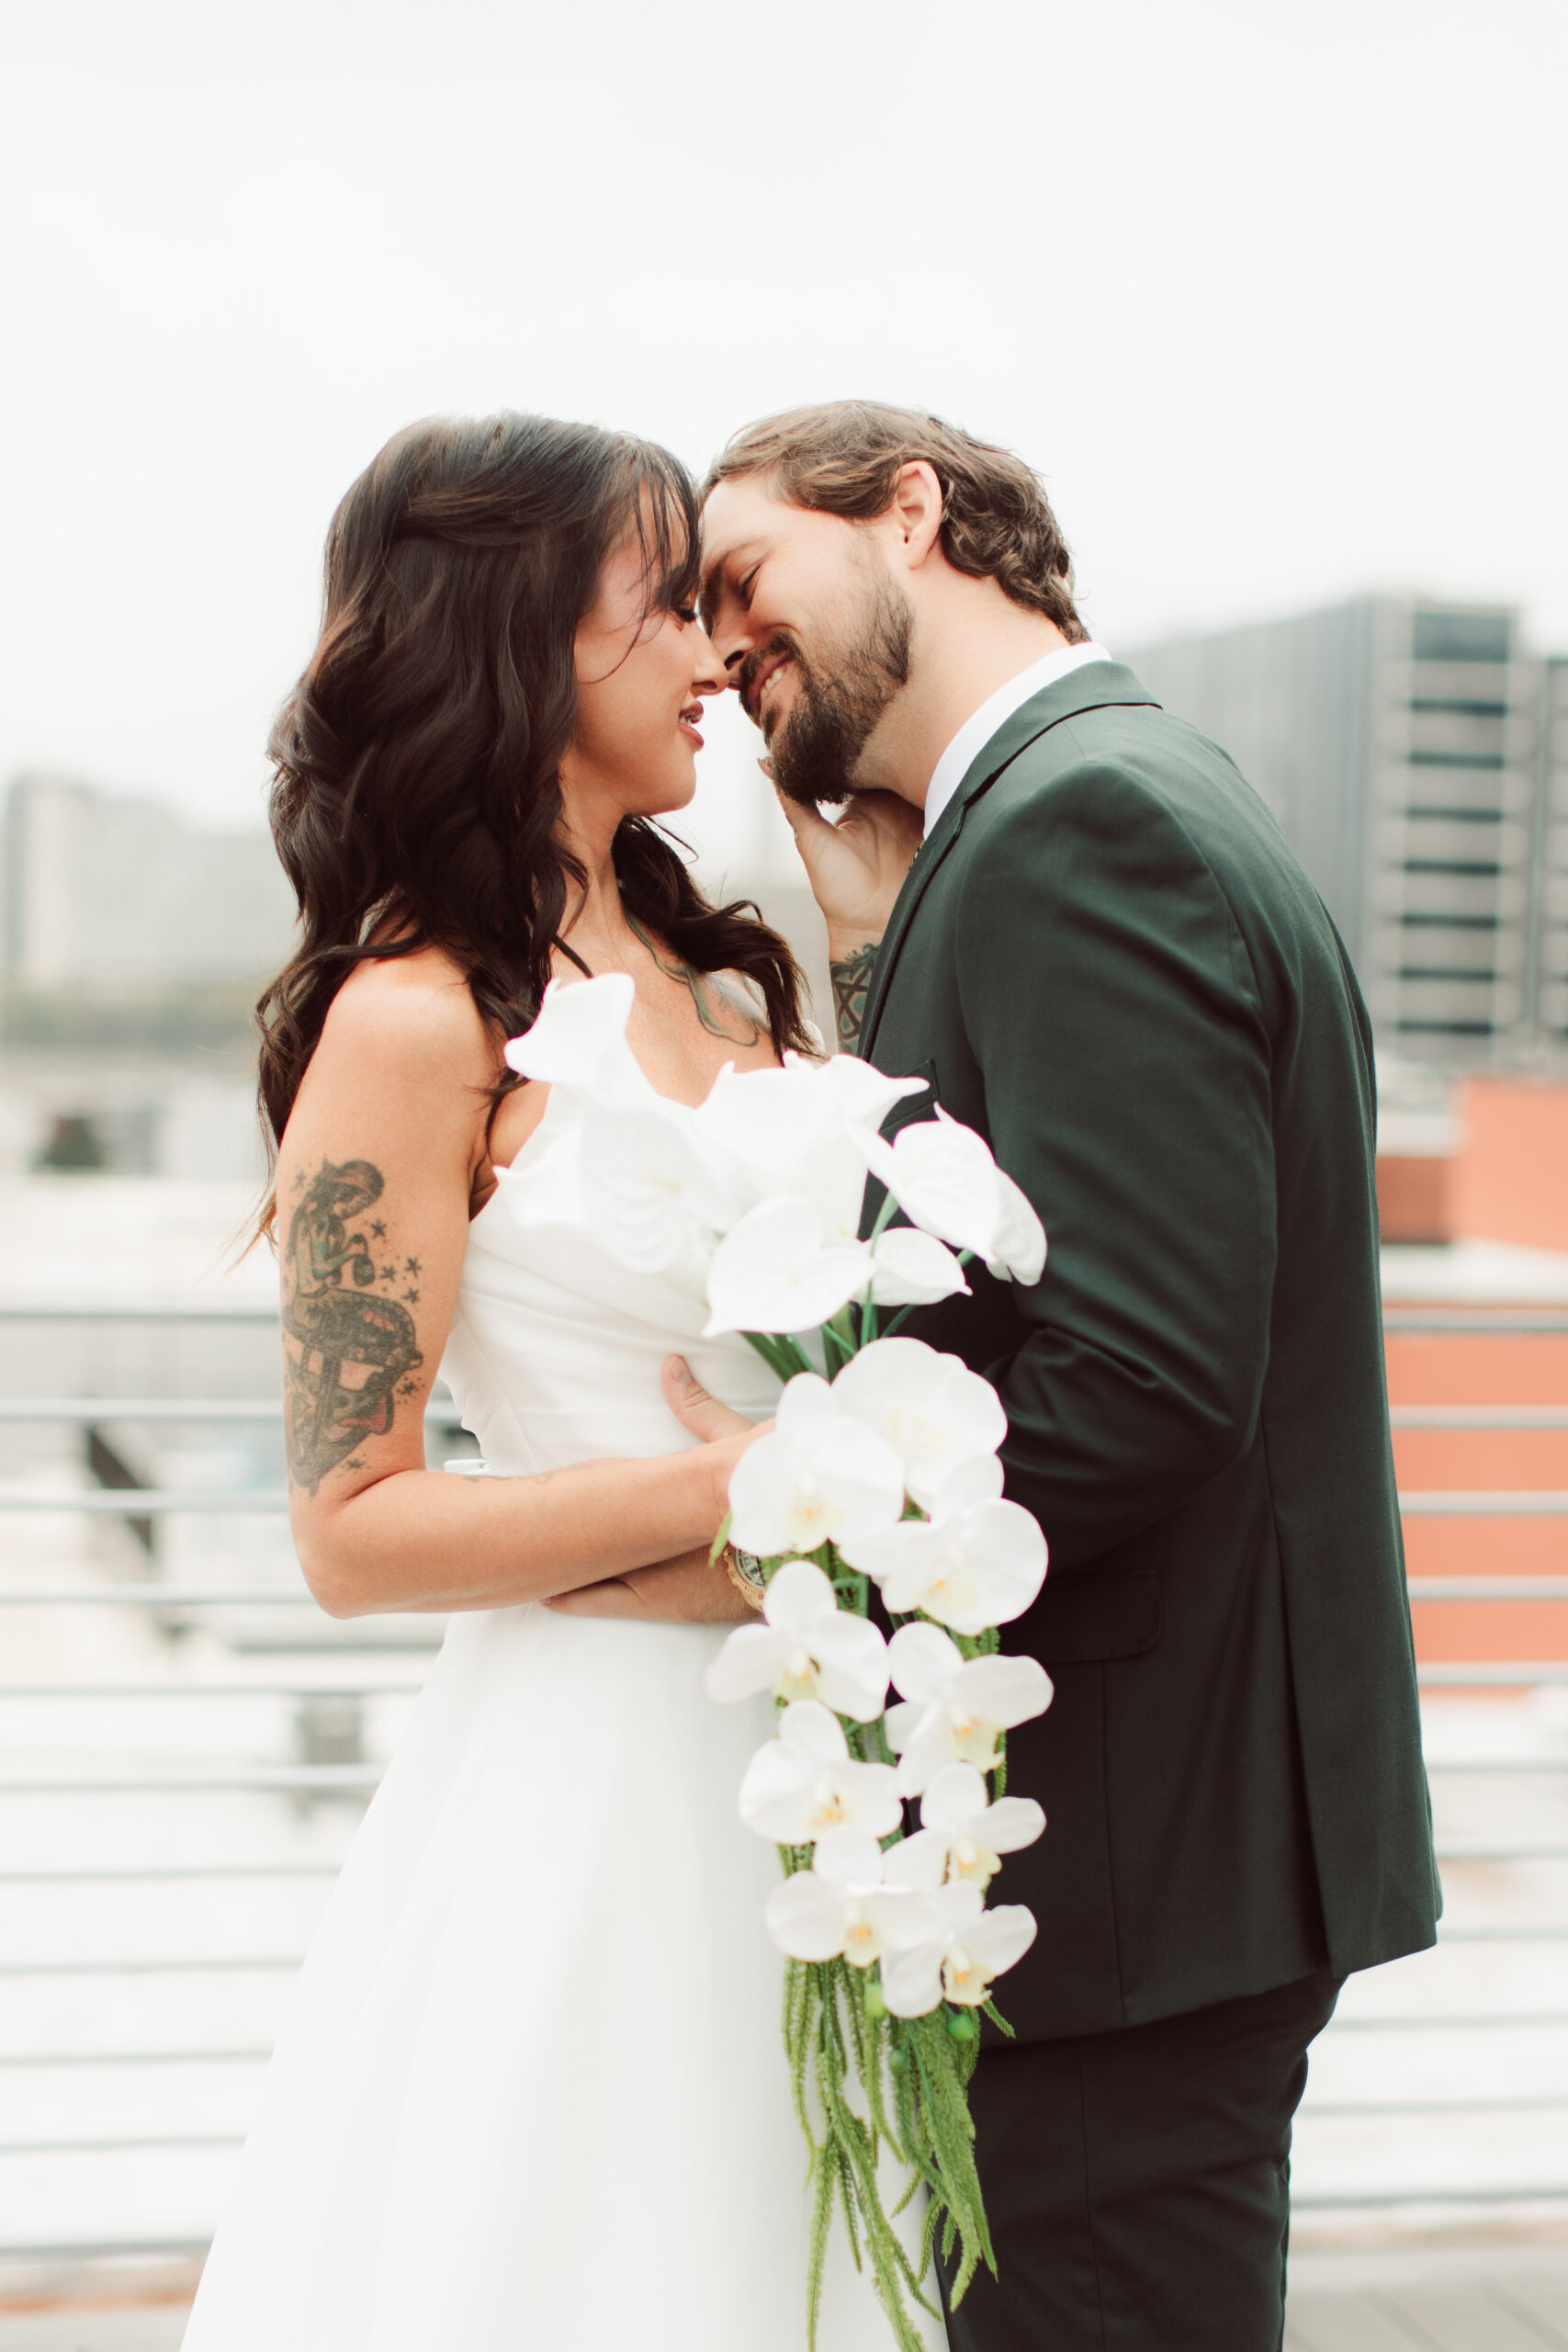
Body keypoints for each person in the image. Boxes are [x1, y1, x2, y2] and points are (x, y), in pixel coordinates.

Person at [181, 412, 948, 2351]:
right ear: (520, 644)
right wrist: (754, 1483)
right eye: (667, 604)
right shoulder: (415, 1017)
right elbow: (349, 1531)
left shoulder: (729, 974)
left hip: (810, 1767)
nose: (717, 655)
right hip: (589, 1787)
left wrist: (872, 934)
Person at [697, 400, 1440, 2351]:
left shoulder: (1073, 828)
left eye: (740, 573)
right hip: (1154, 1844)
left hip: (1120, 1854)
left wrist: (792, 1520)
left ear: (912, 512)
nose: (718, 645)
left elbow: (1137, 1374)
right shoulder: (1080, 805)